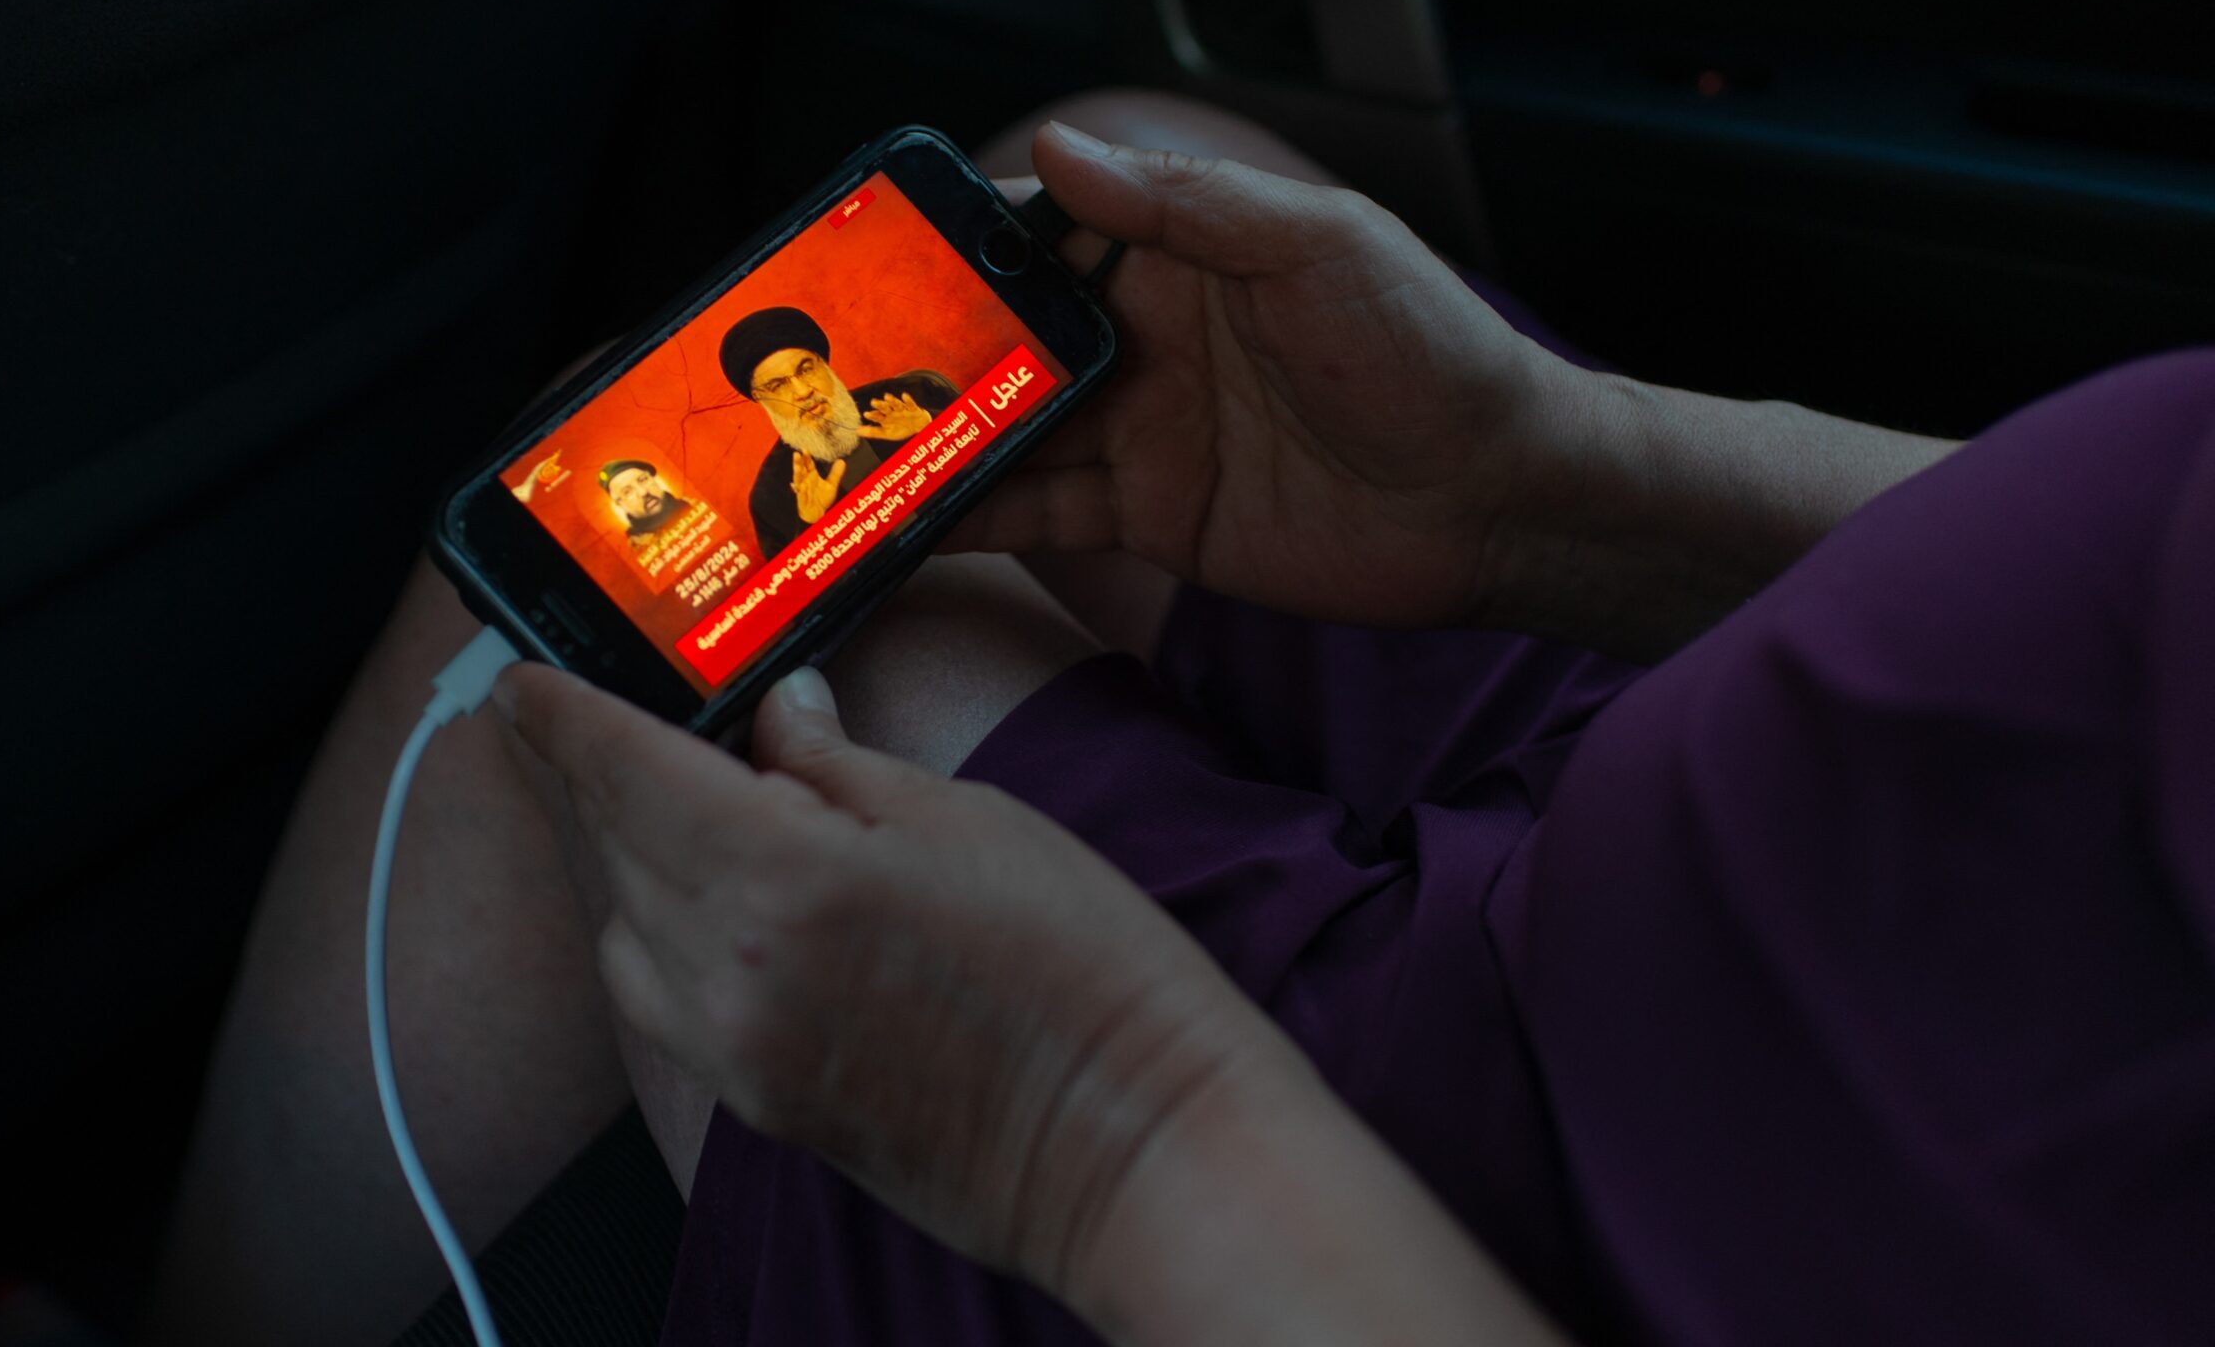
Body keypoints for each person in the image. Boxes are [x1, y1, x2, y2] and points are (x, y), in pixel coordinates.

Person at [149, 93, 2215, 1347]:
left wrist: (1090, 1133)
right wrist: (1563, 487)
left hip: (1517, 1231)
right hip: (1882, 855)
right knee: (1137, 203)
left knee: (616, 644)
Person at [718, 305, 958, 557]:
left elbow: (993, 442)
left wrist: (929, 426)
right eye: (778, 386)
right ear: (761, 398)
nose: (802, 392)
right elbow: (807, 589)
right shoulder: (770, 497)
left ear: (824, 364)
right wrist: (812, 524)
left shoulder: (912, 395)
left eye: (806, 369)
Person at [598, 459, 697, 551]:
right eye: (627, 492)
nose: (643, 492)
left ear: (653, 479)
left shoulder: (694, 506)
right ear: (620, 504)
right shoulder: (637, 547)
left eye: (643, 480)